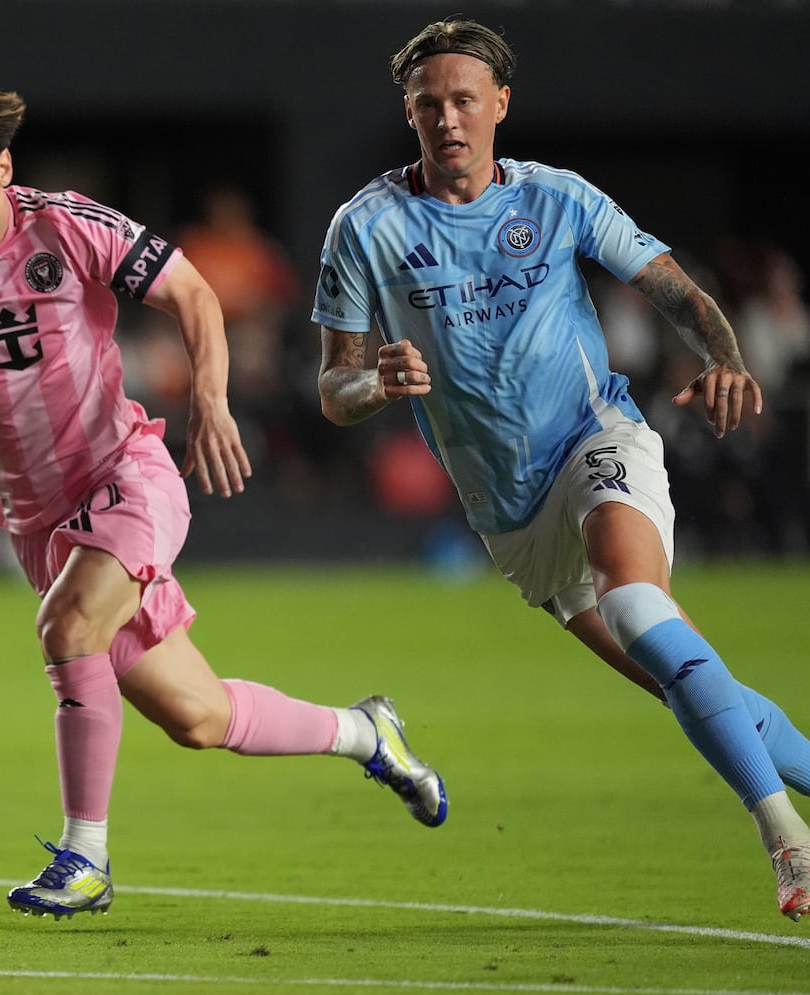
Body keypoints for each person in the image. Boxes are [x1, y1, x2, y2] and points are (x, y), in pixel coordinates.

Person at [0, 77, 448, 920]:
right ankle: (366, 733)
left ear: (1, 166)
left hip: (126, 474)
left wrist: (209, 400)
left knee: (65, 626)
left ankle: (84, 857)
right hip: (38, 524)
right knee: (199, 716)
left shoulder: (65, 224)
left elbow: (194, 292)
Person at [312, 19, 810, 920]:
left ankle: (787, 840)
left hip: (596, 439)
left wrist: (725, 357)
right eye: (429, 104)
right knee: (695, 685)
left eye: (465, 100)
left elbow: (680, 292)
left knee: (637, 602)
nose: (448, 119)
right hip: (508, 515)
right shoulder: (366, 226)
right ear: (411, 114)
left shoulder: (557, 199)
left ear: (500, 104)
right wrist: (374, 382)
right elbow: (334, 388)